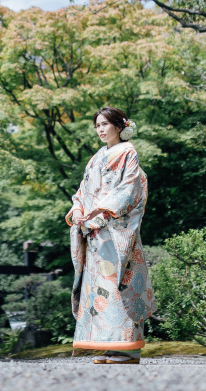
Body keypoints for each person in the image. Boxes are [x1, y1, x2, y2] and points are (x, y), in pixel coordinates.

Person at [66, 107, 157, 365]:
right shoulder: (96, 158)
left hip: (117, 232)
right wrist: (79, 209)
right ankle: (110, 346)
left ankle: (127, 349)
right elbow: (84, 190)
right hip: (96, 233)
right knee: (100, 292)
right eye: (97, 126)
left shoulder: (128, 152)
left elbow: (129, 188)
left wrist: (102, 210)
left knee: (120, 287)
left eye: (105, 124)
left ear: (120, 126)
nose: (101, 129)